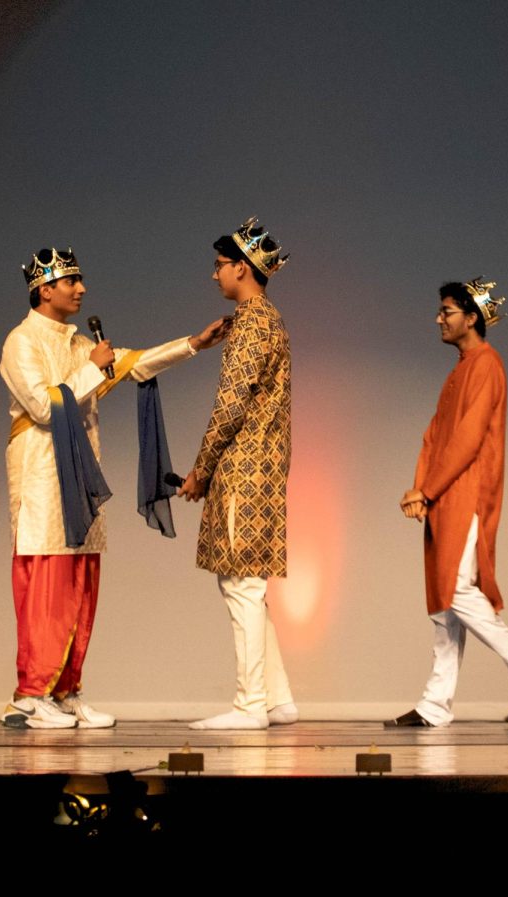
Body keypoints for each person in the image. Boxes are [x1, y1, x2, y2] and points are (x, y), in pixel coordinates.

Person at [0, 248, 227, 729]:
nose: (81, 289)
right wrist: (93, 369)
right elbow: (43, 408)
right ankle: (30, 695)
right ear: (45, 290)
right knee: (48, 586)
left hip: (80, 478)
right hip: (42, 478)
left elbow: (135, 364)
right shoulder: (20, 342)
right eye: (71, 282)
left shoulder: (80, 343)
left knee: (81, 585)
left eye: (80, 281)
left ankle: (65, 691)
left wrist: (194, 344)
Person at [385, 280, 508, 728]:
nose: (439, 318)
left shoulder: (487, 365)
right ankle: (436, 703)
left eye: (447, 311)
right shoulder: (461, 369)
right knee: (442, 601)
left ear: (472, 317)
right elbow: (434, 435)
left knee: (455, 591)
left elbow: (469, 439)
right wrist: (420, 490)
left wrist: (428, 490)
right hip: (445, 491)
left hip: (467, 490)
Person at [179, 218, 297, 731]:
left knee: (243, 585)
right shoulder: (268, 320)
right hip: (262, 464)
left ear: (242, 268)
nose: (215, 276)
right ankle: (277, 698)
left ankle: (252, 704)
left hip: (244, 467)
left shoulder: (252, 321)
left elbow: (230, 405)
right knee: (247, 585)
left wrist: (201, 468)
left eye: (220, 266)